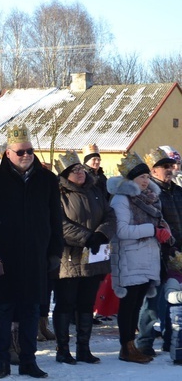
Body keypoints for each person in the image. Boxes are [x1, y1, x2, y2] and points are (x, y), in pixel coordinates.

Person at [0, 124, 63, 379]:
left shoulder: (47, 179)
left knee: (31, 311)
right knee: (3, 311)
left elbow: (55, 219)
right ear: (8, 153)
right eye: (20, 152)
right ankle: (2, 361)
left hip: (36, 256)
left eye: (30, 151)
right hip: (3, 256)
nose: (26, 155)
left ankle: (29, 361)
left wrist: (54, 253)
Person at [108, 151, 173, 363]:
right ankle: (126, 347)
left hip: (147, 258)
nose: (146, 181)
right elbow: (122, 231)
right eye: (141, 177)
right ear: (131, 180)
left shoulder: (150, 198)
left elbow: (157, 223)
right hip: (130, 259)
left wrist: (165, 231)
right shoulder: (121, 200)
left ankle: (132, 345)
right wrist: (152, 230)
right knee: (129, 305)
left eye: (146, 177)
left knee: (137, 305)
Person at [52, 150, 116, 365]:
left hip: (94, 256)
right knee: (65, 303)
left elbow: (110, 215)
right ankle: (63, 349)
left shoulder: (95, 189)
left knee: (86, 303)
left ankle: (83, 348)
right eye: (74, 170)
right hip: (69, 258)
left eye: (80, 168)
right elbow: (59, 224)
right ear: (64, 174)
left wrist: (101, 234)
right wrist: (87, 237)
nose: (80, 173)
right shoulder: (58, 194)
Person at [135, 147, 182, 357]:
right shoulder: (152, 194)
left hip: (178, 249)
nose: (170, 169)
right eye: (164, 166)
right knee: (153, 297)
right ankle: (144, 341)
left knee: (175, 298)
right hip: (158, 249)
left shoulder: (178, 190)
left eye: (170, 166)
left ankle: (171, 337)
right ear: (153, 171)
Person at [164, 250, 182, 364]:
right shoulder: (174, 280)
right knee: (178, 338)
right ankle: (178, 356)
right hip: (178, 315)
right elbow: (169, 296)